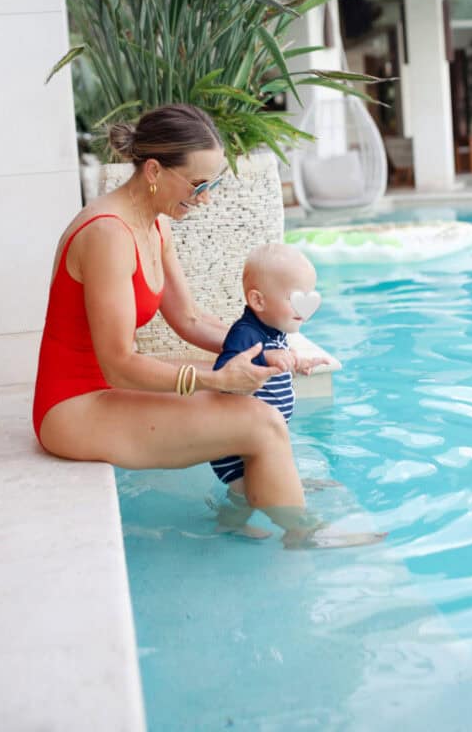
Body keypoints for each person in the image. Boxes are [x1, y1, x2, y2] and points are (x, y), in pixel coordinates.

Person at [34, 103, 384, 549]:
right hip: (73, 408)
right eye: (199, 185)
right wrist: (217, 377)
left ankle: (259, 493)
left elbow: (190, 319)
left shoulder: (151, 226)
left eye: (213, 184)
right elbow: (119, 363)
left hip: (105, 385)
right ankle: (302, 533)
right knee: (261, 422)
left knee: (252, 401)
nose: (206, 198)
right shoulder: (108, 235)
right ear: (155, 170)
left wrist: (277, 351)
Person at [209, 243, 333, 539]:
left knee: (264, 480)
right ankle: (230, 526)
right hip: (235, 447)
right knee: (243, 494)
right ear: (258, 300)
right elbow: (226, 369)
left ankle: (285, 504)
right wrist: (265, 357)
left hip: (259, 439)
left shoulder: (273, 332)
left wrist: (298, 363)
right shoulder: (245, 334)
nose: (305, 309)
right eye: (295, 299)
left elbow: (278, 355)